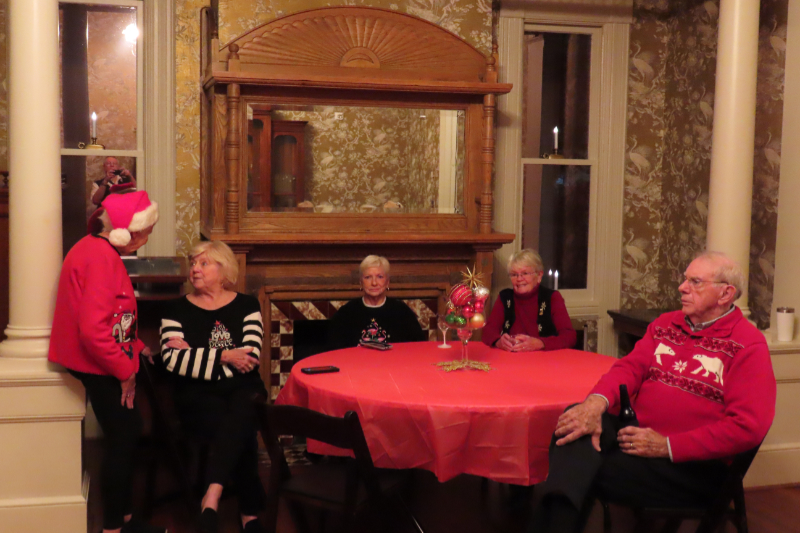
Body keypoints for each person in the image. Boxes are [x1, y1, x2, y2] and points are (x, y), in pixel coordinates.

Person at [528, 251, 776, 533]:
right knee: (573, 422)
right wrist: (594, 404)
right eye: (685, 279)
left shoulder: (748, 345)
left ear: (725, 294)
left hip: (693, 466)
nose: (682, 287)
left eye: (695, 282)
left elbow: (748, 427)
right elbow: (629, 368)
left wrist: (667, 445)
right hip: (638, 437)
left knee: (579, 468)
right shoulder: (666, 324)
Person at [49, 191, 162, 533]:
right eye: (146, 230)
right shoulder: (100, 257)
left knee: (126, 434)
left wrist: (136, 345)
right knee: (124, 438)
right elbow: (94, 330)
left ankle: (125, 519)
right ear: (127, 231)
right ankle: (114, 528)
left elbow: (113, 314)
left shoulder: (96, 248)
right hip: (98, 363)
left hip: (101, 358)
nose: (147, 237)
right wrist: (126, 370)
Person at [159, 241, 266, 533]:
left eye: (204, 263)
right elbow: (172, 361)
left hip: (243, 389)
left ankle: (212, 494)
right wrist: (225, 356)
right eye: (193, 263)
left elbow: (250, 356)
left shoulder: (247, 305)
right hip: (198, 396)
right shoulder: (175, 309)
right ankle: (250, 512)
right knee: (239, 425)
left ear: (223, 268)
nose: (195, 269)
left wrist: (196, 354)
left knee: (242, 408)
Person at [483, 249, 576, 351]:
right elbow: (488, 331)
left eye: (525, 273)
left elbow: (569, 336)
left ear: (539, 275)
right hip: (511, 357)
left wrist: (541, 343)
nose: (519, 279)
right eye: (514, 274)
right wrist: (498, 341)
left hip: (544, 358)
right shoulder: (505, 297)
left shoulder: (552, 298)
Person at [327, 255, 426, 350]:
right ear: (361, 282)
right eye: (368, 277)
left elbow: (418, 346)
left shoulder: (402, 311)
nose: (374, 283)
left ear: (387, 282)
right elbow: (333, 350)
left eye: (380, 277)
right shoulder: (346, 313)